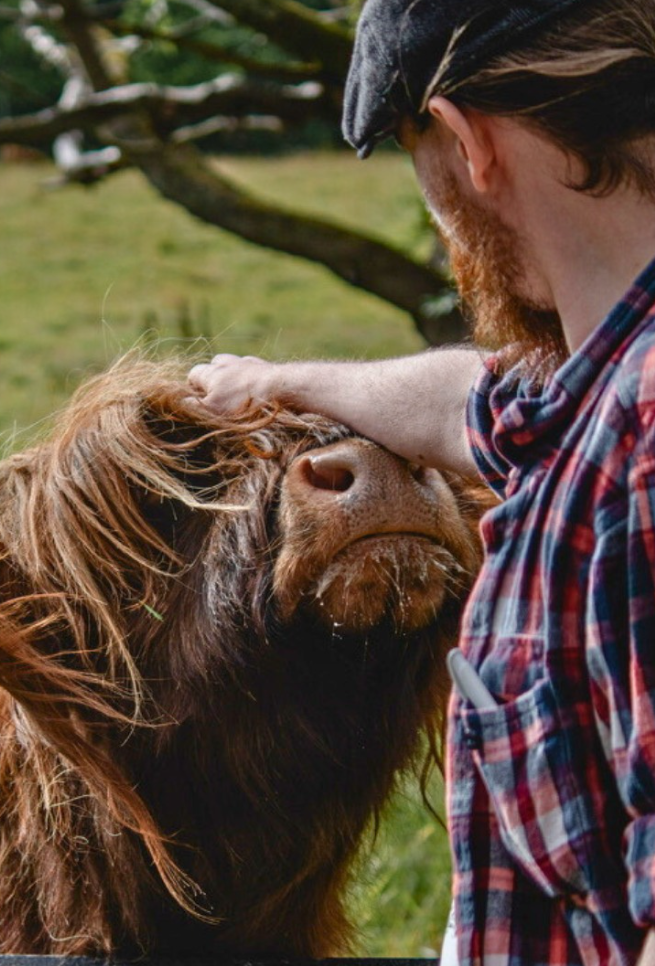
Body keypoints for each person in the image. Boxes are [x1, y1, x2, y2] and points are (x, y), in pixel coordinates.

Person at [188, 1, 655, 963]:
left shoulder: (644, 444)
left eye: (418, 167)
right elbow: (481, 402)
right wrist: (273, 383)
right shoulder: (595, 398)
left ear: (465, 139)